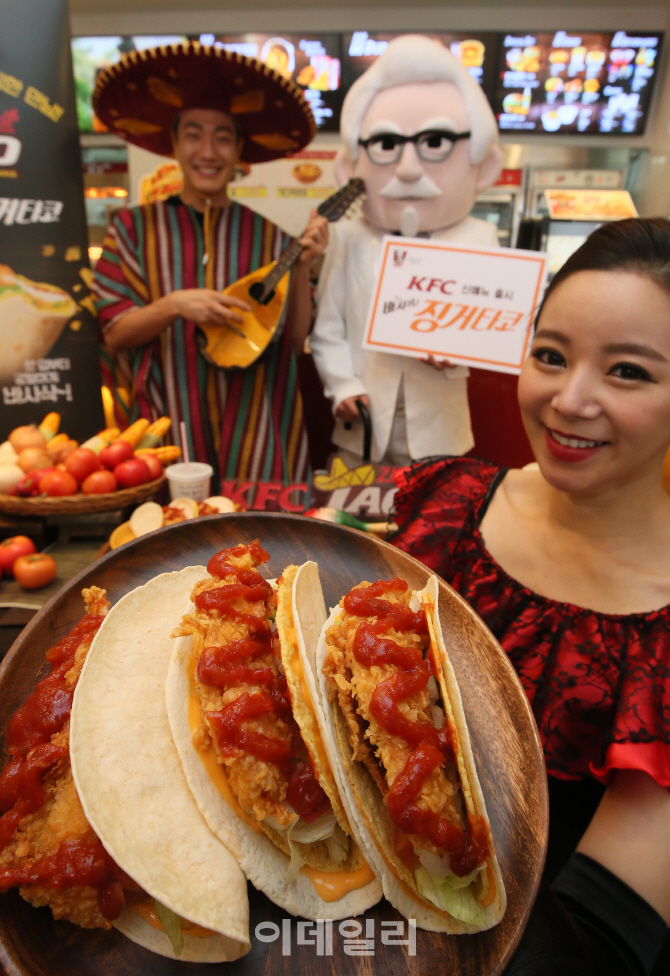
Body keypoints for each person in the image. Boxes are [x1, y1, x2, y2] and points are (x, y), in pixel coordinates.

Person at [391, 218, 670, 975]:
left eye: (629, 373)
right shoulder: (448, 507)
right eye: (551, 356)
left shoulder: (661, 634)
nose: (568, 400)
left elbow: (601, 938)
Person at [92, 41, 328, 485]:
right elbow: (115, 334)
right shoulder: (132, 230)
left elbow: (296, 340)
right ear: (174, 145)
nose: (209, 150)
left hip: (257, 428)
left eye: (223, 137)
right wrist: (174, 305)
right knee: (170, 544)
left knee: (260, 550)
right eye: (194, 134)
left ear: (239, 151)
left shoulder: (271, 237)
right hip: (166, 429)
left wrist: (301, 265)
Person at [310, 34, 503, 467]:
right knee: (359, 529)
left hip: (441, 427)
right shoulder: (349, 236)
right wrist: (342, 386)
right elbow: (328, 327)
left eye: (435, 143)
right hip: (361, 425)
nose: (410, 169)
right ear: (349, 165)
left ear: (483, 164)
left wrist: (461, 349)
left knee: (433, 529)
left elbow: (497, 324)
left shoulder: (480, 239)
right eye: (387, 145)